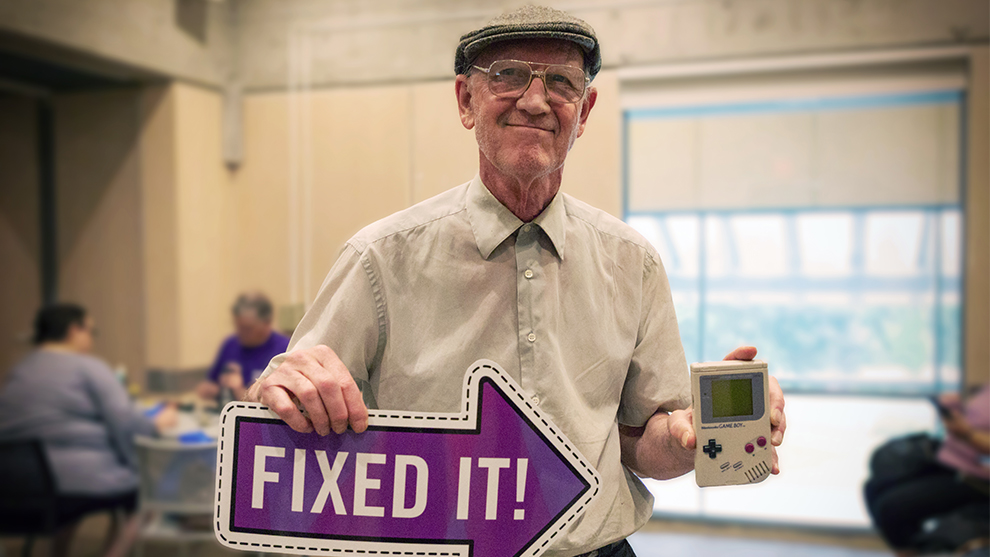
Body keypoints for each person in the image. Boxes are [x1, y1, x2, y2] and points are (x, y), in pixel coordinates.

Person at [246, 6, 787, 556]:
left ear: (585, 110)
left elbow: (642, 445)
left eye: (561, 82)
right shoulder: (378, 260)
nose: (535, 100)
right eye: (507, 74)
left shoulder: (633, 263)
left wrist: (686, 434)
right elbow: (285, 413)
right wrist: (286, 391)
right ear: (465, 101)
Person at [0, 303, 177, 557]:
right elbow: (126, 424)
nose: (91, 340)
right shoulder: (89, 368)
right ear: (75, 330)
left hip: (20, 485)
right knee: (145, 495)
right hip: (78, 481)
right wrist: (157, 423)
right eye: (91, 332)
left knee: (67, 506)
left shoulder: (19, 371)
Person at [865, 384, 989, 555]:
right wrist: (954, 408)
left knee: (891, 508)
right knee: (874, 487)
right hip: (951, 460)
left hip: (977, 479)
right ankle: (914, 546)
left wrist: (968, 434)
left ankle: (910, 551)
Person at [196, 292, 289, 403]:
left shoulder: (284, 350)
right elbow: (207, 386)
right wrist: (217, 389)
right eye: (238, 327)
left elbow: (279, 404)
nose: (241, 333)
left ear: (267, 323)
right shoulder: (230, 344)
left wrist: (238, 390)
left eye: (247, 328)